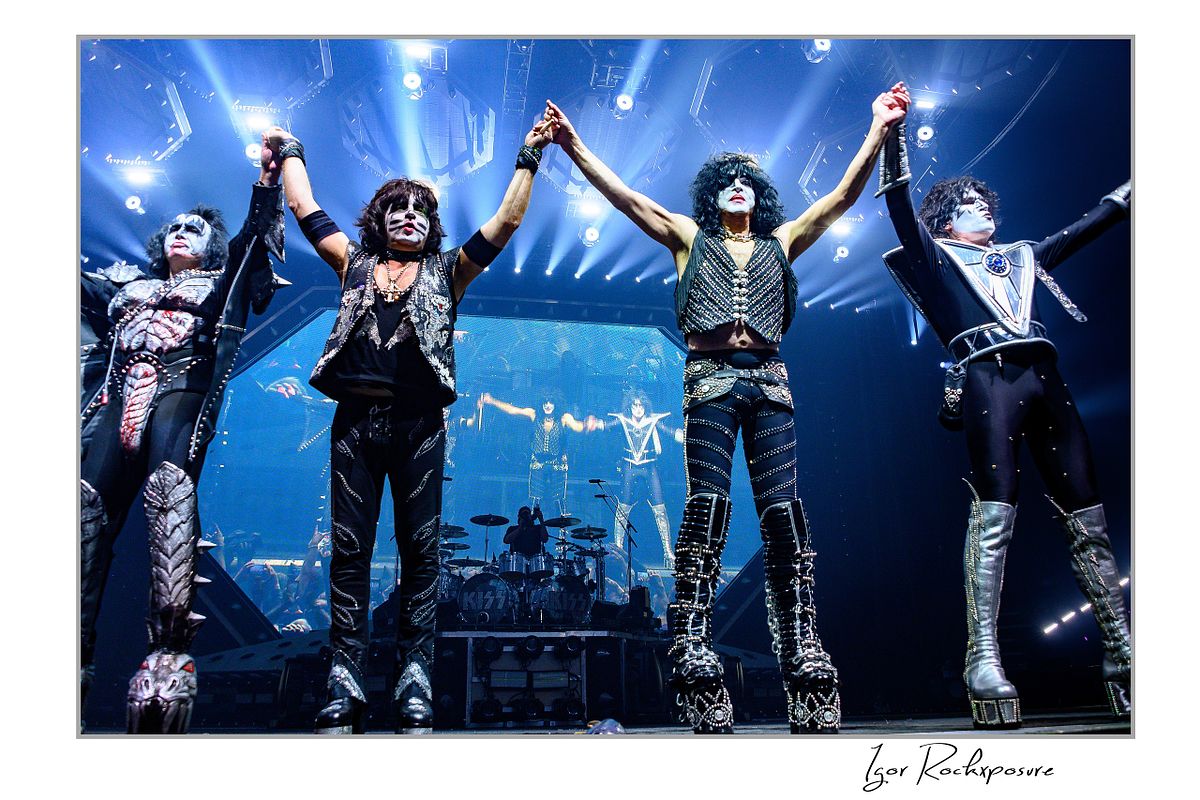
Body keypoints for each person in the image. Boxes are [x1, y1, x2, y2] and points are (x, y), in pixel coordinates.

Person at [543, 85, 909, 733]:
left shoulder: (783, 238)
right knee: (707, 504)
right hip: (709, 378)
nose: (738, 185)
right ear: (712, 196)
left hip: (769, 380)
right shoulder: (688, 237)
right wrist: (574, 148)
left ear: (759, 196)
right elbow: (626, 199)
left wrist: (879, 128)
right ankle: (691, 639)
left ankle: (801, 648)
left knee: (784, 516)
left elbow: (844, 196)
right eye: (727, 180)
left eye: (747, 181)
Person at [267, 117, 554, 734]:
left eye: (419, 211)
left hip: (419, 425)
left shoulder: (447, 272)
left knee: (422, 553)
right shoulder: (353, 262)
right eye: (396, 208)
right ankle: (345, 681)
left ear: (430, 225)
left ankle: (413, 679)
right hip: (355, 425)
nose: (407, 217)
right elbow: (305, 206)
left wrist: (530, 155)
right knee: (349, 551)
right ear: (379, 219)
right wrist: (290, 148)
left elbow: (504, 225)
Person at [876, 104, 1132, 729]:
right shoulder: (934, 258)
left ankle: (1122, 648)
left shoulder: (1023, 256)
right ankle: (982, 656)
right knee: (996, 512)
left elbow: (1091, 223)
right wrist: (893, 135)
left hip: (1047, 380)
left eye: (983, 200)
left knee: (1088, 517)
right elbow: (900, 205)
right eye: (965, 202)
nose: (981, 208)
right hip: (988, 380)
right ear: (947, 217)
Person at [79, 138, 287, 733]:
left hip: (179, 397)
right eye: (173, 227)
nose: (181, 233)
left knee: (170, 504)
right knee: (84, 517)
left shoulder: (219, 285)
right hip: (115, 403)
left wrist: (267, 184)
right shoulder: (126, 288)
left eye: (194, 228)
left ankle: (167, 658)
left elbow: (251, 247)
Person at [587, 390, 683, 568]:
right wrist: (594, 424)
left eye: (641, 405)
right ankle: (618, 548)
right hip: (629, 466)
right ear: (630, 406)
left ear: (645, 406)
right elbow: (608, 424)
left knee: (660, 507)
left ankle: (668, 551)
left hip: (649, 466)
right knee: (623, 506)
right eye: (635, 405)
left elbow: (669, 431)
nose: (638, 409)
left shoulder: (652, 420)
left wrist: (685, 435)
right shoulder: (624, 420)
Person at [478, 390, 589, 513]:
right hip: (538, 463)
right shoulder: (534, 414)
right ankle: (530, 526)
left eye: (550, 402)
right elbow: (513, 410)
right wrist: (492, 400)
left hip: (557, 464)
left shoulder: (564, 418)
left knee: (559, 500)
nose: (547, 405)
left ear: (556, 404)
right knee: (535, 499)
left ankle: (561, 527)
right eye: (545, 402)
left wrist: (589, 424)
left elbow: (578, 427)